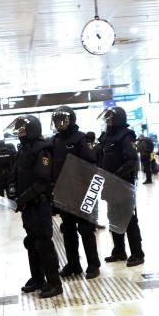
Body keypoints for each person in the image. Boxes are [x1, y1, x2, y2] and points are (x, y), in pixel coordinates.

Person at [8, 114, 62, 298]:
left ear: (32, 129)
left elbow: (42, 181)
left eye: (22, 128)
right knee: (32, 242)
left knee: (43, 243)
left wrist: (22, 198)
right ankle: (38, 279)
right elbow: (15, 173)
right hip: (28, 206)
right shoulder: (23, 149)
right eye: (19, 128)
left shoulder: (43, 149)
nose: (19, 131)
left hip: (40, 204)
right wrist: (13, 190)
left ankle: (55, 283)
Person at [50, 105, 100, 279]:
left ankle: (93, 264)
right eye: (56, 120)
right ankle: (73, 264)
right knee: (68, 230)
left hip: (81, 192)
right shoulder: (54, 141)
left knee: (86, 230)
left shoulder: (81, 138)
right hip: (64, 194)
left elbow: (91, 164)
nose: (59, 123)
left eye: (62, 120)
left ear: (71, 120)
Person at [99, 106, 144, 266]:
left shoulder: (126, 136)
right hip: (110, 185)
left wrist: (115, 177)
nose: (108, 121)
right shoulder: (106, 136)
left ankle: (137, 253)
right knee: (113, 218)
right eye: (107, 118)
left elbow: (131, 161)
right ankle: (119, 250)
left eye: (111, 118)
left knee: (129, 219)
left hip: (123, 184)